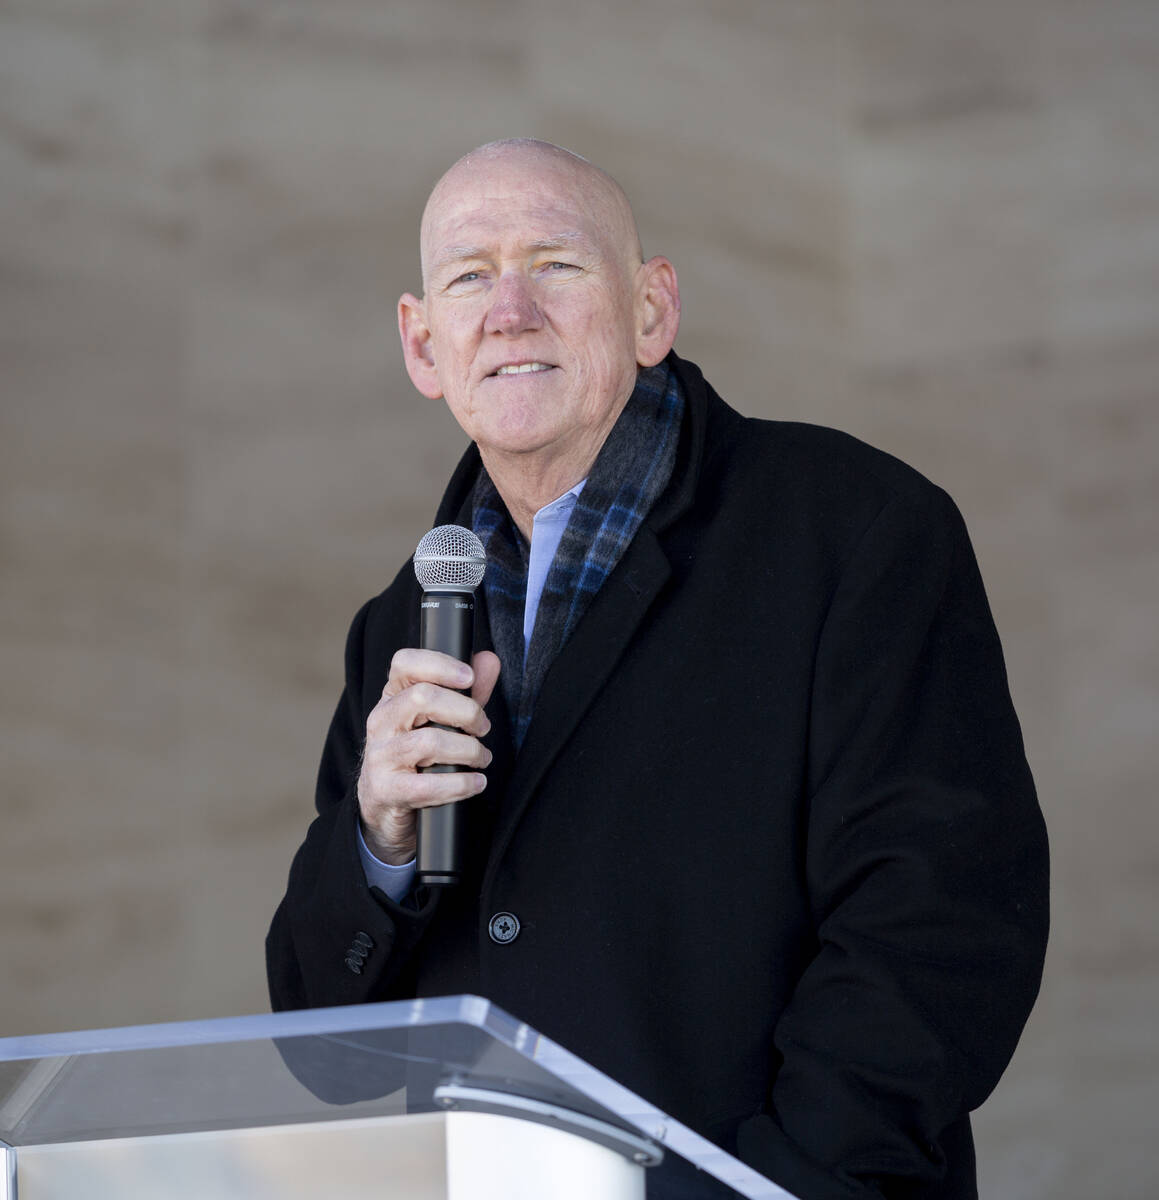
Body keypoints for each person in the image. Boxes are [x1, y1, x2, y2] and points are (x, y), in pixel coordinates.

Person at [266, 139, 1049, 1199]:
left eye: (555, 263)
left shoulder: (850, 528)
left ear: (650, 311)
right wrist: (379, 847)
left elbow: (934, 935)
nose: (508, 311)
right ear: (422, 346)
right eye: (468, 277)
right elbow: (327, 1053)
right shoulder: (403, 624)